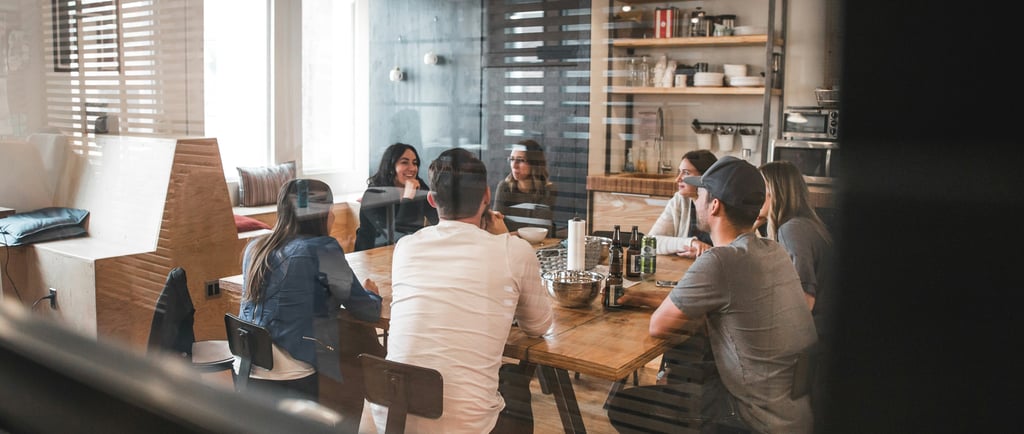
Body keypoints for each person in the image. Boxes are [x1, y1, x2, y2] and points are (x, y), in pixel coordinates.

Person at [607, 156, 817, 434]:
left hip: (753, 420)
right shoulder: (771, 250)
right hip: (792, 413)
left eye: (700, 194)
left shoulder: (721, 260)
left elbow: (659, 326)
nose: (695, 200)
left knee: (624, 407)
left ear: (715, 205)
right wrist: (639, 298)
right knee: (689, 369)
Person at [371, 147, 553, 434]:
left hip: (392, 419)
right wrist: (503, 238)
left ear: (431, 200)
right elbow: (538, 325)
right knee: (516, 386)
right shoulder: (514, 251)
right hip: (466, 427)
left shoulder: (406, 247)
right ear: (487, 196)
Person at [237, 178, 383, 406]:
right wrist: (372, 293)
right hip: (292, 370)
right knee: (357, 356)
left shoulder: (255, 248)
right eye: (331, 210)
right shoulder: (322, 249)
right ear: (322, 214)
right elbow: (367, 311)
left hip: (248, 366)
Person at [758, 160, 835, 433]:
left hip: (818, 343)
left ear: (774, 192)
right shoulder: (806, 224)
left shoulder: (792, 230)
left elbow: (804, 301)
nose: (753, 196)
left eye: (759, 189)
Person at [354, 143, 439, 251]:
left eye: (415, 163)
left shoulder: (419, 187)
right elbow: (398, 236)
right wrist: (408, 198)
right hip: (372, 256)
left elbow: (438, 220)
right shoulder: (373, 195)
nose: (412, 168)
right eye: (404, 162)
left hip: (407, 252)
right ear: (390, 167)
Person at [648, 149, 717, 259]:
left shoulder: (720, 204)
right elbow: (650, 242)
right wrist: (691, 243)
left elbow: (734, 251)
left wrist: (706, 252)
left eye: (686, 173)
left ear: (704, 177)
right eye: (679, 172)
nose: (677, 179)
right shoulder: (679, 200)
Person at [492, 139, 557, 234]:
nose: (514, 165)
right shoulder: (505, 188)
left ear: (534, 164)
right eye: (512, 159)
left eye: (520, 160)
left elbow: (539, 231)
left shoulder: (548, 190)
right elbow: (496, 227)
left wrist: (510, 234)